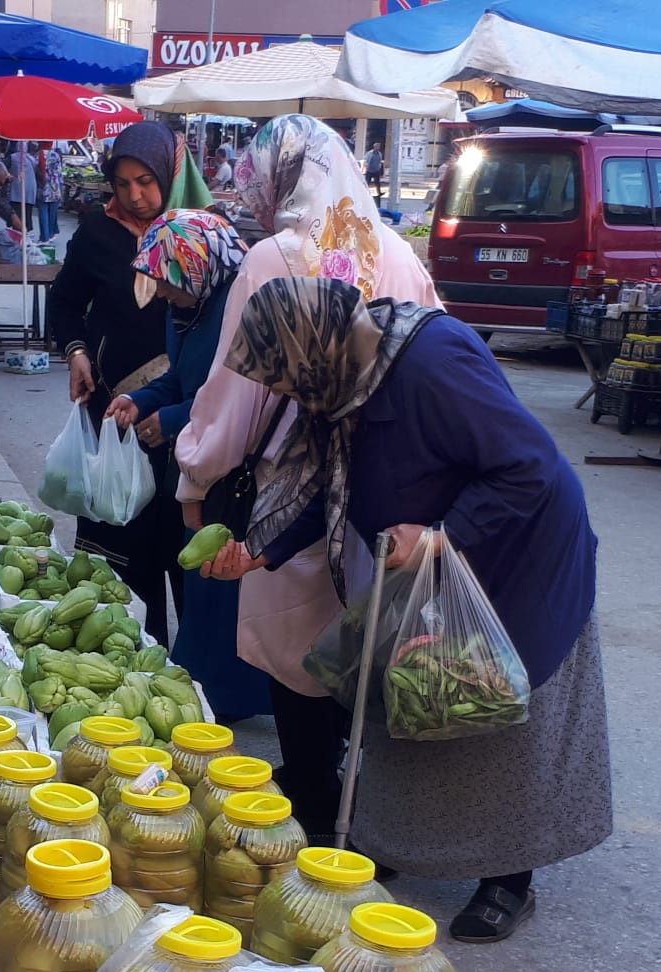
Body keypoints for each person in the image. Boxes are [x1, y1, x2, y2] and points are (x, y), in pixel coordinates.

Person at [205, 275, 613, 943]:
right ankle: (401, 845)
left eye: (282, 378)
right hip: (426, 565)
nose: (282, 393)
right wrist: (261, 549)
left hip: (515, 557)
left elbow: (528, 466)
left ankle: (508, 879)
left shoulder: (429, 364)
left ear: (310, 348)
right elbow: (331, 484)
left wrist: (440, 531)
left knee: (497, 715)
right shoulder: (339, 373)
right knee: (413, 700)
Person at [174, 114, 439, 838]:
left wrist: (195, 476)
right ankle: (358, 805)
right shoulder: (395, 249)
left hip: (290, 485)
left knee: (295, 649)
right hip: (385, 480)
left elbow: (235, 392)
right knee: (364, 642)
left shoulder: (273, 256)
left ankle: (317, 813)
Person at [47, 121, 213, 645]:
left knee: (186, 542)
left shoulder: (205, 233)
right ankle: (122, 650)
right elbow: (66, 302)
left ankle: (196, 669)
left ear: (170, 173)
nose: (135, 196)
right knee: (120, 534)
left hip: (187, 414)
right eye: (122, 184)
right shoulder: (98, 232)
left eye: (146, 181)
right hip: (115, 412)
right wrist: (75, 353)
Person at [103, 210, 270, 720]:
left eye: (170, 283)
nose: (162, 294)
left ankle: (219, 701)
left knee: (225, 589)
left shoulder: (235, 310)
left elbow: (240, 397)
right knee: (202, 584)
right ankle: (202, 690)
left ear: (198, 270)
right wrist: (140, 398)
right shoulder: (189, 311)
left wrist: (172, 420)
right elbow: (182, 378)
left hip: (238, 469)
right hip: (198, 466)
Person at [37, 141, 65, 243]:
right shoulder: (56, 155)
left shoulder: (39, 155)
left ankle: (44, 237)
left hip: (43, 188)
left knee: (43, 212)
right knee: (52, 214)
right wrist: (61, 186)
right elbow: (59, 172)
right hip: (55, 187)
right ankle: (51, 234)